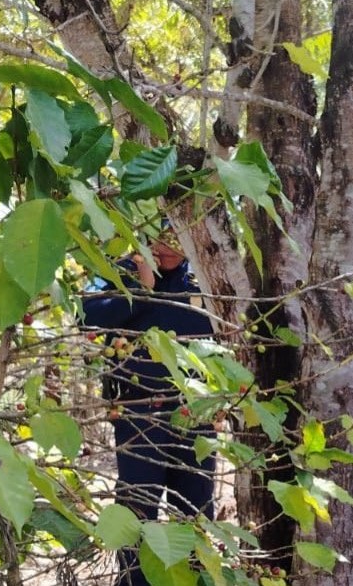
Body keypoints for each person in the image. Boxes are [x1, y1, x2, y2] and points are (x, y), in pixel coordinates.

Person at [81, 222, 216, 586]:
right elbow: (87, 317)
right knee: (137, 512)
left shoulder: (205, 275)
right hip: (137, 414)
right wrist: (140, 288)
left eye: (178, 240)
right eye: (163, 238)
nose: (168, 248)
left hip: (195, 416)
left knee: (197, 512)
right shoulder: (119, 270)